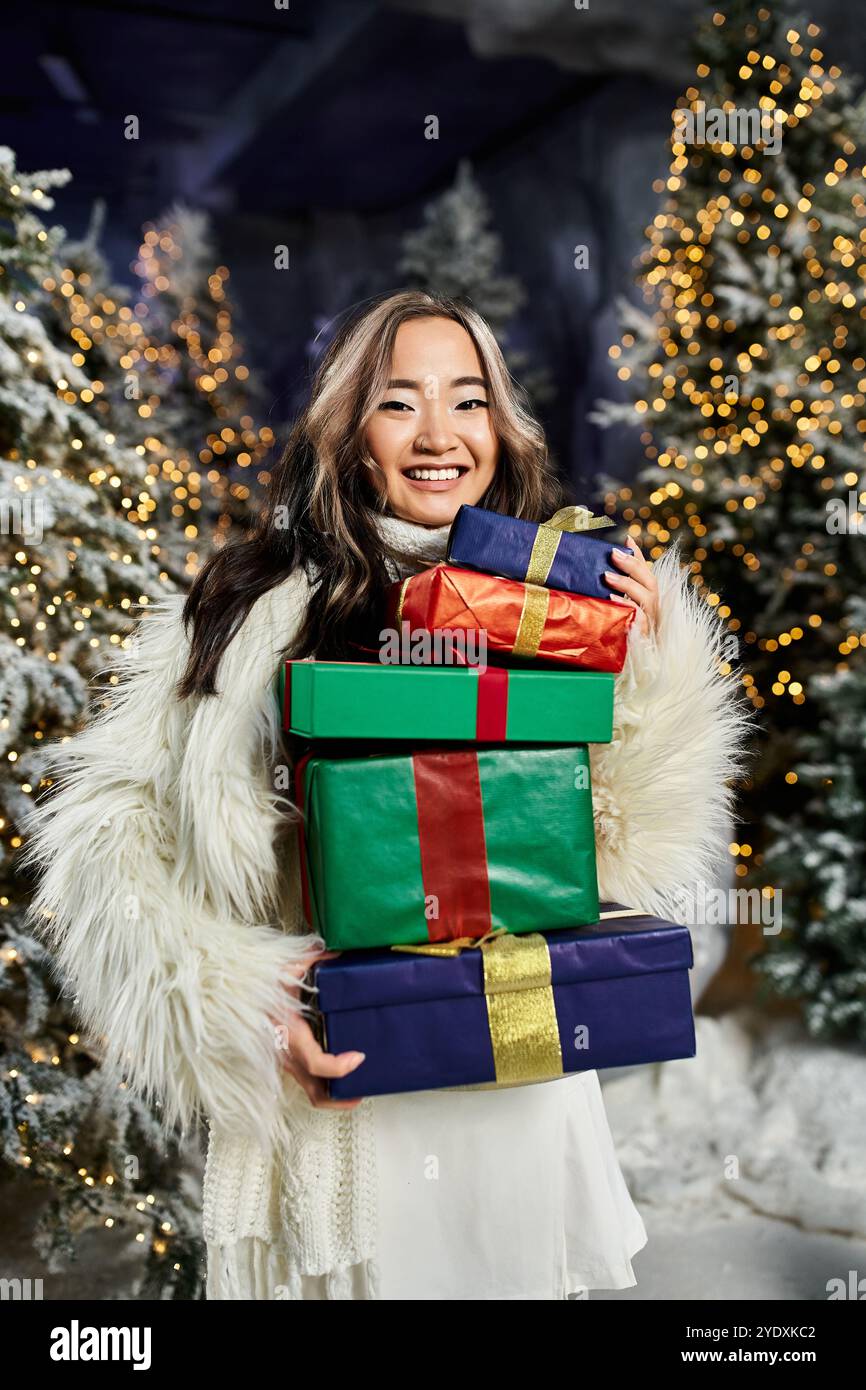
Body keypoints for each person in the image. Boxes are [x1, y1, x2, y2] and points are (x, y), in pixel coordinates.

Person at [24, 289, 750, 1299]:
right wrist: (240, 1001)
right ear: (347, 430)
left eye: (467, 400)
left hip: (511, 1061)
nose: (439, 435)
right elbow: (111, 846)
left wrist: (657, 658)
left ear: (501, 426)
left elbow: (610, 848)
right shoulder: (251, 612)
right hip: (346, 1069)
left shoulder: (560, 611)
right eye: (398, 402)